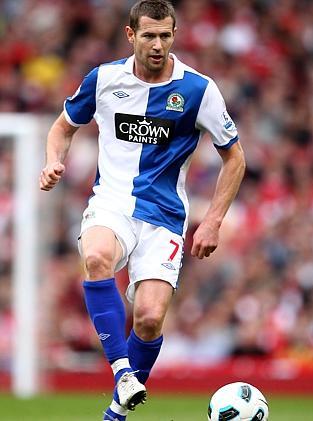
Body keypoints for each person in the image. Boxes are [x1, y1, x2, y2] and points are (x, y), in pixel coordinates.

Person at [39, 0, 246, 420]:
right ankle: (122, 373)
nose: (157, 44)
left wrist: (213, 221)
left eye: (165, 35)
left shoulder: (198, 89)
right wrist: (51, 160)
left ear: (174, 35)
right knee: (96, 257)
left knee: (149, 319)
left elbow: (235, 157)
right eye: (149, 35)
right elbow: (63, 126)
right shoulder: (103, 79)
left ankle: (116, 411)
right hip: (111, 203)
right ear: (131, 35)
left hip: (165, 217)